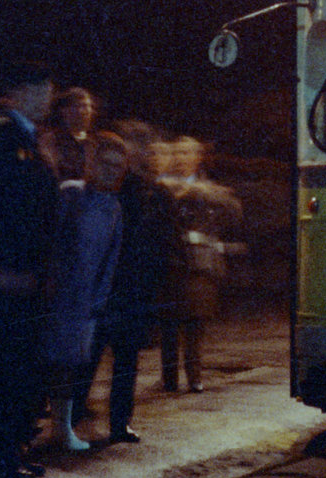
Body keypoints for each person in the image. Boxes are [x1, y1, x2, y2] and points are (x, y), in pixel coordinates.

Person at [0, 62, 57, 478]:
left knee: (17, 368)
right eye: (41, 89)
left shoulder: (27, 138)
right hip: (6, 277)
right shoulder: (1, 135)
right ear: (18, 91)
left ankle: (7, 451)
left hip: (26, 275)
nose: (49, 97)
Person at [73, 121, 175, 442]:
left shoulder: (157, 193)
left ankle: (118, 421)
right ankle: (76, 413)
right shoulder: (119, 188)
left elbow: (164, 240)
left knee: (125, 359)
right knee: (91, 355)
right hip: (111, 285)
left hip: (135, 288)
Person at [41, 131, 128, 451]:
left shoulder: (114, 207)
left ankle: (61, 429)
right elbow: (50, 241)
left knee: (67, 367)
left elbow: (110, 258)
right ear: (92, 161)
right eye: (106, 163)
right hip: (56, 296)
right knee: (42, 364)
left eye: (118, 167)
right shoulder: (71, 194)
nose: (111, 171)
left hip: (83, 304)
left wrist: (98, 301)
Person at [158, 137, 241, 394]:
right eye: (178, 152)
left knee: (196, 321)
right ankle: (169, 377)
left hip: (200, 264)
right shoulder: (162, 185)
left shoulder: (208, 188)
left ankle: (194, 376)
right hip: (171, 260)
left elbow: (234, 210)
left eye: (188, 152)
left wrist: (199, 192)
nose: (182, 157)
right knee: (169, 321)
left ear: (198, 157)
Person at [41, 87, 98, 181]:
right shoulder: (52, 140)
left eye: (86, 106)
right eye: (77, 106)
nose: (83, 112)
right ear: (64, 111)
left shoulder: (95, 143)